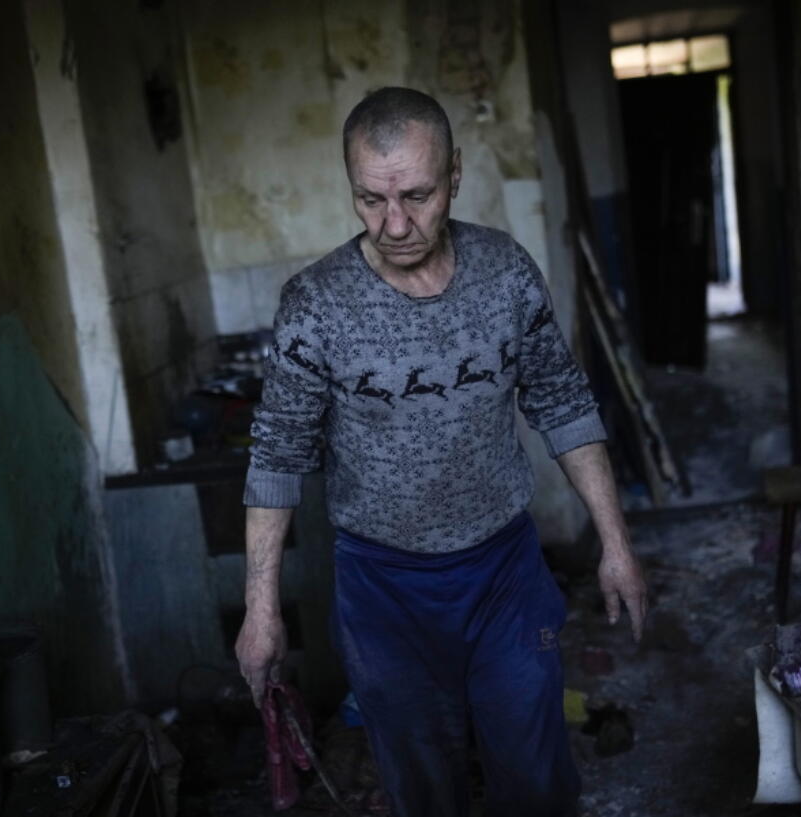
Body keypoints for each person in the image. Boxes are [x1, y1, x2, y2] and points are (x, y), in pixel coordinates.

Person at [235, 86, 648, 817]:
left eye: (418, 196)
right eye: (369, 200)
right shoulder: (316, 304)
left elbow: (563, 400)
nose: (395, 224)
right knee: (425, 790)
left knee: (538, 776)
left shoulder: (506, 273)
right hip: (383, 588)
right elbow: (277, 454)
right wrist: (260, 609)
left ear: (455, 174)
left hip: (503, 575)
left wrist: (615, 541)